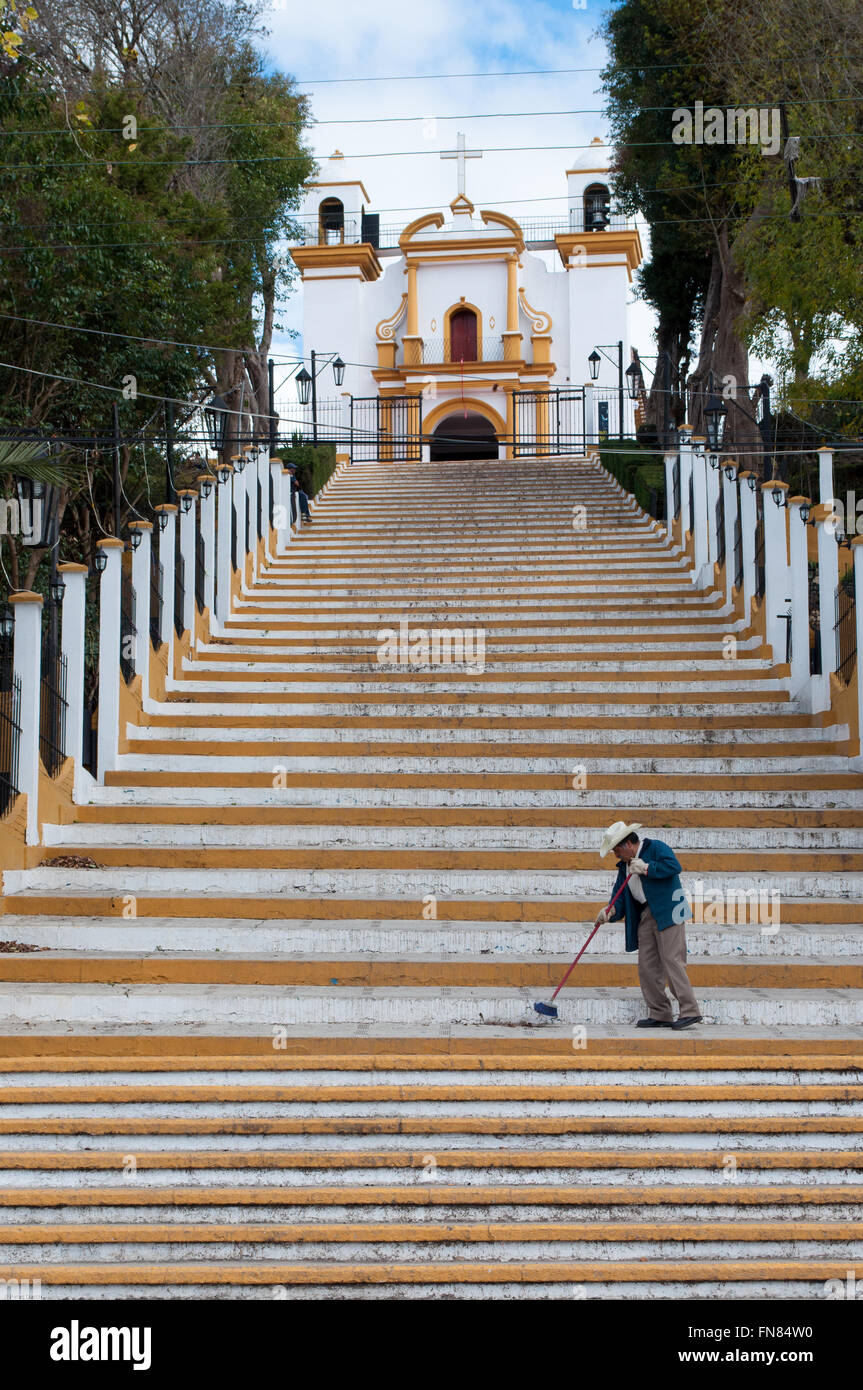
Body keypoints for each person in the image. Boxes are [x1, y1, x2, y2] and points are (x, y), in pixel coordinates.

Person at [597, 819, 702, 1030]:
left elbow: (674, 867)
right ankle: (660, 1013)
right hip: (645, 914)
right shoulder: (624, 867)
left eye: (616, 850)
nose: (615, 855)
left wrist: (647, 868)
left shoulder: (656, 848)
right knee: (647, 967)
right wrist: (611, 910)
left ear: (627, 844)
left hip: (669, 911)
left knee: (672, 960)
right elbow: (620, 894)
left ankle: (690, 1011)